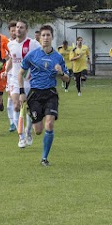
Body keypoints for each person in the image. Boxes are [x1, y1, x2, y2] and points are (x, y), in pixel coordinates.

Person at [18, 25, 69, 166]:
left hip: (51, 93)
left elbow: (67, 78)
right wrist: (22, 92)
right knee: (38, 130)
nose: (46, 38)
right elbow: (20, 73)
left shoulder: (58, 57)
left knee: (50, 124)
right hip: (34, 94)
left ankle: (44, 158)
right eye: (43, 35)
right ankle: (31, 120)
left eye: (48, 35)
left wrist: (61, 73)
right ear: (40, 38)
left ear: (52, 37)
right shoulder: (32, 55)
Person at [2, 20, 41, 148]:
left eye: (21, 27)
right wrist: (5, 71)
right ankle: (21, 137)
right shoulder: (10, 44)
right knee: (16, 105)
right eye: (17, 27)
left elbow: (40, 58)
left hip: (30, 80)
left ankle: (28, 131)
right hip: (14, 79)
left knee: (28, 108)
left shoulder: (33, 44)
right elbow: (11, 60)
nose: (18, 29)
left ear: (26, 30)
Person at [5, 21, 17, 131]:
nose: (14, 32)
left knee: (17, 99)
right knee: (10, 97)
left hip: (20, 74)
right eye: (12, 30)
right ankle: (12, 123)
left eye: (15, 30)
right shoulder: (6, 43)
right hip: (9, 74)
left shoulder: (22, 43)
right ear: (9, 31)